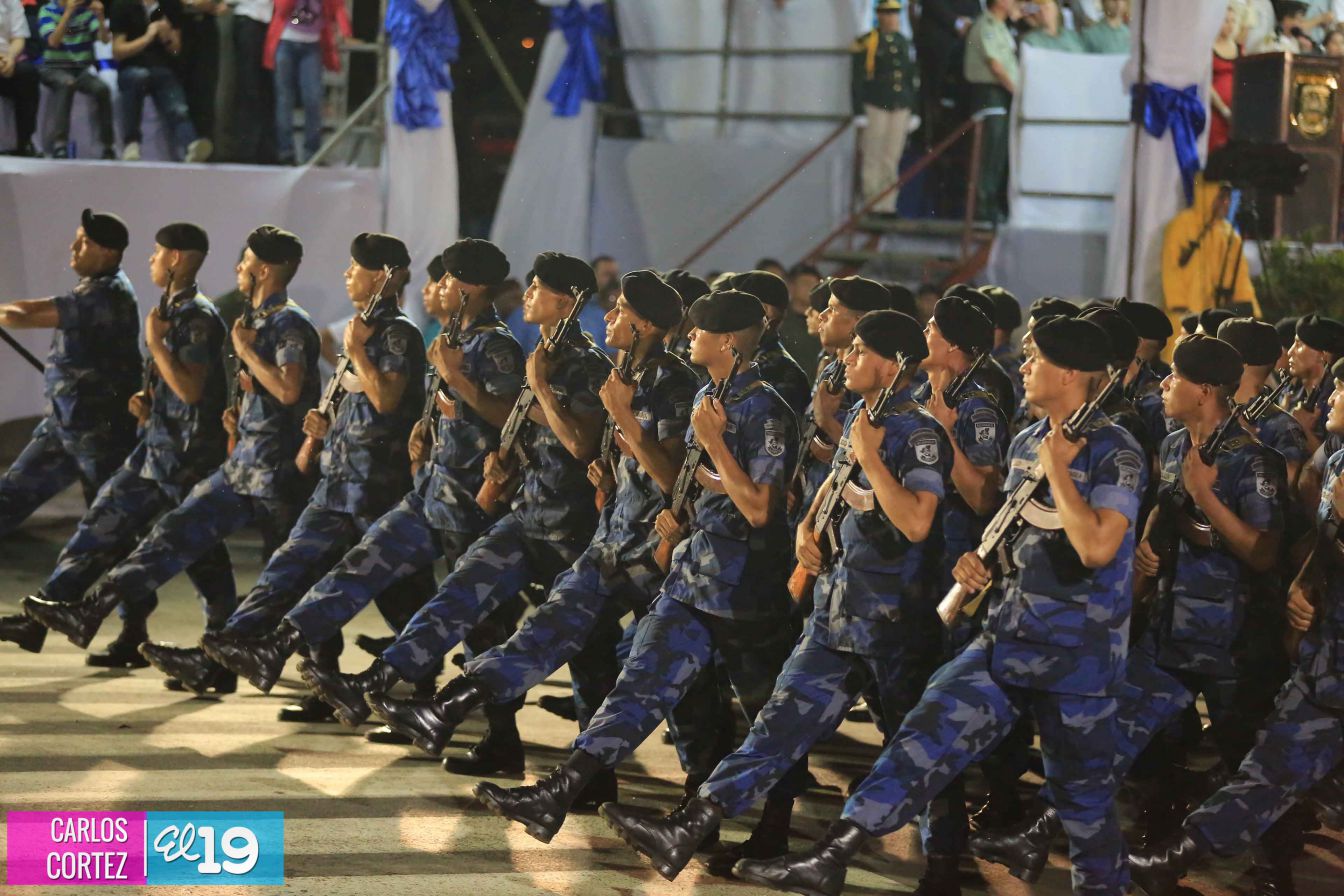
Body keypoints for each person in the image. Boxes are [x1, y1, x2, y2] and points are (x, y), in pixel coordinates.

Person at [733, 315, 1146, 896]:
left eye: (1036, 359)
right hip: (1006, 638)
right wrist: (980, 564)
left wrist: (1060, 471)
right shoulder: (1029, 440)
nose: (1024, 367)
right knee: (921, 737)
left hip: (1078, 660)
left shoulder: (1114, 449)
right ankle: (833, 853)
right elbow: (1018, 537)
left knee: (1084, 809)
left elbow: (1099, 546)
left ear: (1072, 373)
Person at [598, 310, 957, 888]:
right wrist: (806, 531)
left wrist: (867, 455)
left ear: (892, 365)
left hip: (895, 624)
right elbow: (831, 491)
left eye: (861, 350)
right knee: (775, 728)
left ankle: (942, 870)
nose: (847, 357)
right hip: (835, 616)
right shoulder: (865, 418)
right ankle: (689, 828)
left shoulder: (917, 433)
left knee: (917, 747)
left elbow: (917, 522)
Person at [470, 288, 807, 853]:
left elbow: (761, 507)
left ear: (726, 341)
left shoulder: (765, 408)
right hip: (693, 578)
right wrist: (683, 517)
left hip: (745, 592)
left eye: (701, 330)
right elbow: (705, 486)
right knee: (637, 687)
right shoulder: (709, 395)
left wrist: (716, 449)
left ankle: (772, 829)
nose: (690, 337)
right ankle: (558, 792)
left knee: (767, 715)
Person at [363, 271, 701, 789]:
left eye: (621, 310)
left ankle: (694, 798)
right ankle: (419, 695)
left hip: (629, 546)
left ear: (649, 325)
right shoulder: (612, 369)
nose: (609, 316)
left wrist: (586, 408)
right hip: (588, 531)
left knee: (632, 671)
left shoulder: (662, 380)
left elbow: (667, 473)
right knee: (514, 617)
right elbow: (611, 455)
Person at [204, 239, 522, 732]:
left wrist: (452, 382)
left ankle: (497, 735)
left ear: (474, 287)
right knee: (357, 568)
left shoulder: (495, 345)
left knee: (474, 620)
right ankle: (278, 646)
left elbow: (508, 419)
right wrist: (427, 427)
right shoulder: (453, 338)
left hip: (467, 503)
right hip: (429, 492)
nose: (436, 287)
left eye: (448, 279)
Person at [294, 253, 611, 732]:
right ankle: (375, 684)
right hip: (525, 514)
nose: (525, 294)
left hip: (570, 526)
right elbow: (527, 429)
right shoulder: (540, 356)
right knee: (458, 596)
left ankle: (595, 766)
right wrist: (506, 458)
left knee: (585, 649)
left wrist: (531, 386)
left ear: (565, 301)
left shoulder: (583, 365)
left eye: (537, 288)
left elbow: (581, 442)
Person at [24, 226, 320, 690]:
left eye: (244, 262)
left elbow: (289, 388)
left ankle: (320, 673)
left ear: (263, 268)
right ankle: (91, 610)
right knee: (174, 532)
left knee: (288, 576)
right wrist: (237, 416)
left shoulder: (288, 323)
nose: (238, 268)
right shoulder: (257, 318)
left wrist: (230, 351)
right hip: (243, 464)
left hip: (278, 474)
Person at [136, 233, 425, 701]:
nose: (347, 275)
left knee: (399, 595)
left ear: (381, 276)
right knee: (287, 570)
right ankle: (224, 653)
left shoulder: (396, 333)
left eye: (355, 268)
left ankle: (425, 688)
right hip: (338, 483)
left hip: (377, 488)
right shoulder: (365, 328)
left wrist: (357, 352)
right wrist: (325, 428)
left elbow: (388, 400)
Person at [1127, 356, 1344, 896]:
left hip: (1233, 638)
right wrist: (1308, 583)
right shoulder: (1339, 461)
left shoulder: (1254, 459)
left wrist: (1205, 497)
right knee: (1266, 763)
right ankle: (1169, 856)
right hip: (1313, 656)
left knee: (1254, 753)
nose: (1333, 396)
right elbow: (1320, 542)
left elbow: (1263, 549)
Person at [0, 223, 226, 658]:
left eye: (83, 241)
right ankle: (43, 617)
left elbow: (194, 389)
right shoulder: (161, 306)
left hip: (127, 443)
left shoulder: (119, 297)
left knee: (178, 544)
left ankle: (208, 643)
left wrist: (155, 344)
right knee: (96, 525)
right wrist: (149, 397)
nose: (73, 247)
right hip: (81, 433)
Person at [0, 210, 140, 537]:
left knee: (111, 526)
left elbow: (26, 317)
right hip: (65, 427)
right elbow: (31, 307)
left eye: (85, 242)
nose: (73, 248)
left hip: (98, 433)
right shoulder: (92, 288)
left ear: (108, 251)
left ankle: (133, 588)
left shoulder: (106, 294)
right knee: (9, 497)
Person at [109, 0, 212, 162]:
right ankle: (131, 143)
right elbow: (118, 51)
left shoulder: (169, 5)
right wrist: (147, 37)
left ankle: (191, 145)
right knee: (137, 77)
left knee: (177, 106)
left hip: (161, 67)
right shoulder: (123, 5)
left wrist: (168, 37)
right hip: (132, 65)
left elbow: (177, 50)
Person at [1160, 175, 1258, 334]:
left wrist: (1250, 311)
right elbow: (1171, 268)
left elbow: (1240, 278)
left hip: (1214, 320)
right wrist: (1179, 306)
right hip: (1182, 318)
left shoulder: (1229, 234)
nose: (1226, 203)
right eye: (1220, 197)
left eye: (1228, 198)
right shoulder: (1182, 225)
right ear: (1207, 195)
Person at [852, 0, 918, 217]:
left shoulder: (904, 42)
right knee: (873, 154)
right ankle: (872, 202)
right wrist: (858, 111)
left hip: (900, 104)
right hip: (876, 103)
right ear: (879, 15)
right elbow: (858, 79)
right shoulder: (868, 41)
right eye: (888, 14)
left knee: (892, 156)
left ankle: (887, 204)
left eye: (895, 14)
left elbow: (912, 78)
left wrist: (914, 110)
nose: (893, 18)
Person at [264, 0, 349, 165]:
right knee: (285, 99)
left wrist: (345, 32)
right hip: (286, 40)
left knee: (313, 98)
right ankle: (285, 151)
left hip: (312, 45)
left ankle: (313, 152)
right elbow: (282, 9)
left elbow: (337, 7)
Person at [726, 270, 811, 418]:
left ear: (765, 312)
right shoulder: (740, 358)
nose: (727, 313)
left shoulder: (779, 371)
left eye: (736, 305)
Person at [36, 0, 115, 159]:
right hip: (53, 67)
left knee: (102, 89)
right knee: (67, 84)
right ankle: (60, 144)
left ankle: (108, 146)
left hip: (80, 69)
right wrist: (67, 13)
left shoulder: (86, 13)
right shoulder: (47, 10)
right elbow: (53, 41)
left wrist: (100, 17)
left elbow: (105, 40)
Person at [964, 0, 1020, 224]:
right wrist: (1017, 91)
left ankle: (992, 205)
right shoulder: (985, 25)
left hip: (1002, 94)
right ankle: (982, 208)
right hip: (990, 93)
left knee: (999, 155)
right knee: (989, 153)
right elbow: (995, 65)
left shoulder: (1001, 26)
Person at [227, 0, 275, 163]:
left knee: (268, 89)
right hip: (250, 19)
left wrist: (295, 20)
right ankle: (247, 149)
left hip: (275, 25)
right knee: (249, 86)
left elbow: (298, 13)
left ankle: (267, 149)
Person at [172, 0, 223, 149]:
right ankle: (186, 143)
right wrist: (191, 4)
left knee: (206, 88)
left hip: (206, 28)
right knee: (180, 88)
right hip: (178, 27)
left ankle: (205, 143)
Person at [0, 0, 40, 156]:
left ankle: (25, 141)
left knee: (27, 73)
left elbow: (19, 37)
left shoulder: (11, 2)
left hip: (7, 59)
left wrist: (9, 57)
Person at [1210, 3, 1240, 156]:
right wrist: (1222, 108)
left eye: (1232, 21)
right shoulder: (1209, 47)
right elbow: (1206, 83)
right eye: (1226, 20)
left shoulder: (1239, 48)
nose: (1229, 25)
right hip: (1216, 110)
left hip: (1236, 112)